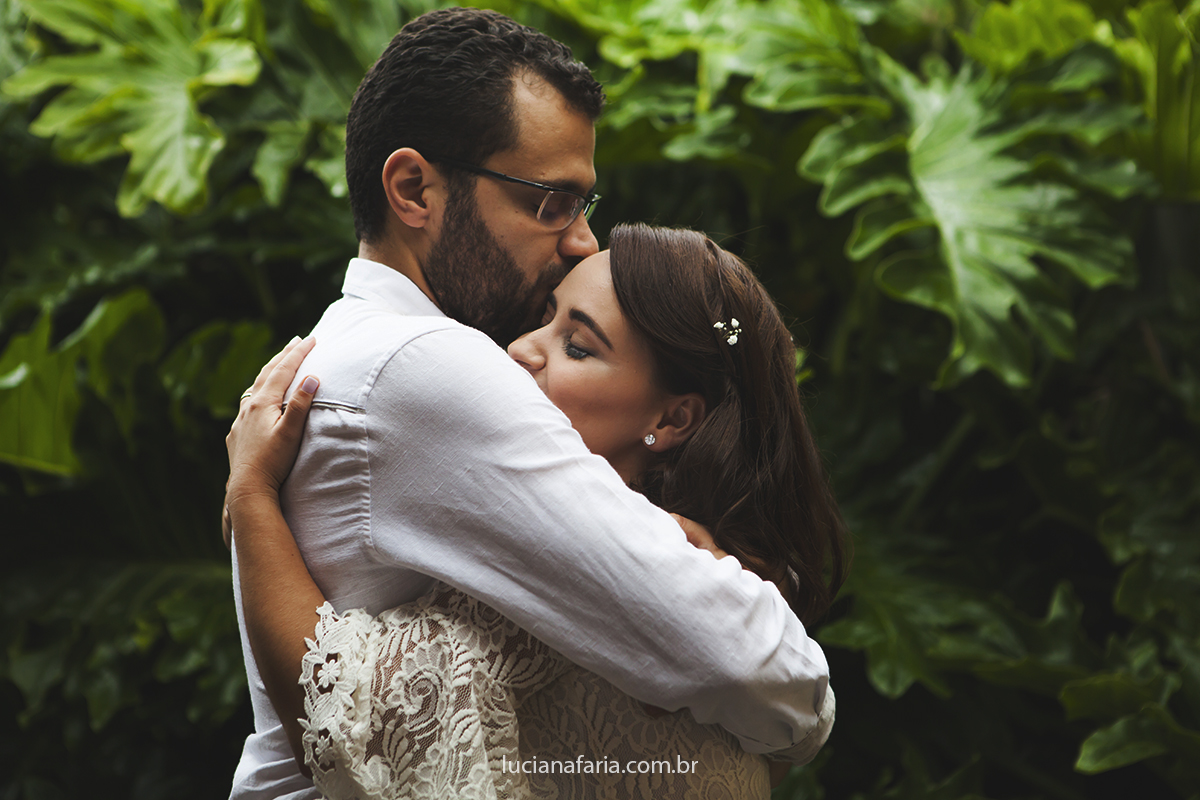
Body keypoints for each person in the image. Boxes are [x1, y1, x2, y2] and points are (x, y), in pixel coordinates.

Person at [225, 9, 838, 798]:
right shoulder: (425, 368)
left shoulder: (352, 352)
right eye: (551, 200)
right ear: (414, 189)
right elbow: (757, 666)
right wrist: (802, 714)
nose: (581, 238)